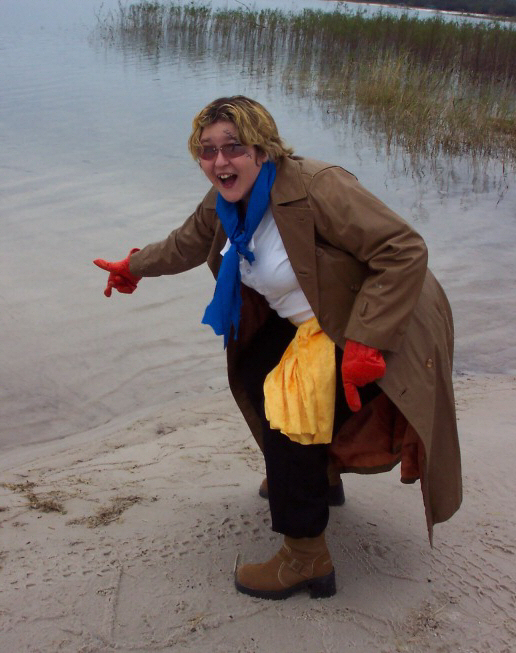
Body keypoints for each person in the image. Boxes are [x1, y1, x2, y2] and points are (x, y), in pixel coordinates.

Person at [94, 95, 462, 601]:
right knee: (253, 372)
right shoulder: (226, 201)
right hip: (308, 318)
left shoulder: (317, 186)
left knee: (290, 414)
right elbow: (187, 242)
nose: (220, 161)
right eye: (207, 150)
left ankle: (306, 557)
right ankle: (317, 478)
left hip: (372, 319)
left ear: (263, 149)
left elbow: (403, 248)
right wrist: (132, 267)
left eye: (233, 147)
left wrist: (367, 342)